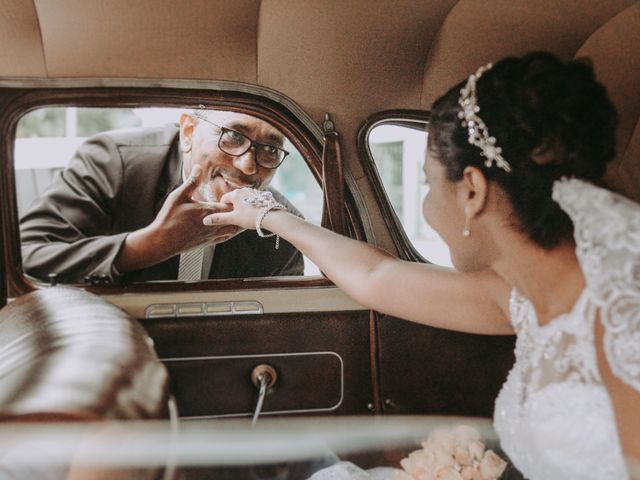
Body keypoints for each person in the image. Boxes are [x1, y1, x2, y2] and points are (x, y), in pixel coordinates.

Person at [203, 52, 640, 479]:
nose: (427, 206)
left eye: (428, 184)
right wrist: (265, 213)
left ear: (472, 190)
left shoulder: (622, 321)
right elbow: (377, 277)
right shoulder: (522, 297)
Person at [20, 109, 304, 284]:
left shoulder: (279, 228)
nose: (248, 166)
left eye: (270, 149)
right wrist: (149, 246)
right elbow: (26, 257)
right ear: (189, 132)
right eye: (232, 136)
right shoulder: (114, 163)